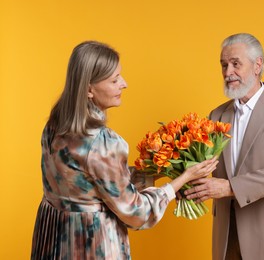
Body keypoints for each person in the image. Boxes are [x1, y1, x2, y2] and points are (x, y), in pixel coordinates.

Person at [31, 41, 218, 260]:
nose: (124, 84)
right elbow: (136, 213)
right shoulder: (103, 142)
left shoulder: (55, 124)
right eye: (114, 79)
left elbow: (91, 182)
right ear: (89, 89)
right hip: (92, 245)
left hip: (55, 239)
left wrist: (156, 170)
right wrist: (181, 179)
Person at [185, 33, 264, 260]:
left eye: (235, 64)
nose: (227, 72)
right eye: (223, 65)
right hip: (227, 236)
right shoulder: (216, 115)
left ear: (257, 64)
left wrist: (230, 188)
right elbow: (202, 166)